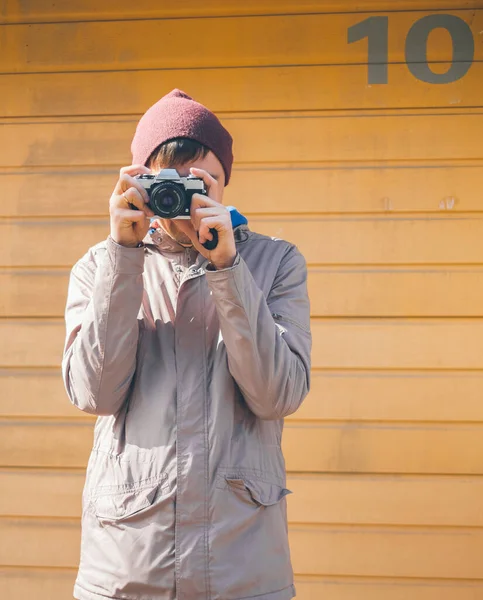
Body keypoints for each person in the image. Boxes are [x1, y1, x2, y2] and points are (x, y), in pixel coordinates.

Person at [62, 89, 312, 600]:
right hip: (128, 571)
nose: (184, 197)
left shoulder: (274, 263)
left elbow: (277, 395)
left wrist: (228, 270)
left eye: (201, 182)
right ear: (139, 184)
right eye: (168, 182)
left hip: (241, 570)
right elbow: (94, 393)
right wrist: (123, 255)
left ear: (225, 186)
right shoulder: (100, 265)